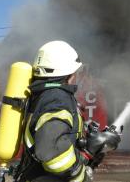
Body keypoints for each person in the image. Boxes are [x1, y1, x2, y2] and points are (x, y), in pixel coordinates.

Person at [15, 40, 94, 182]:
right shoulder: (57, 98)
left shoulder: (41, 95)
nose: (76, 76)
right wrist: (79, 173)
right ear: (67, 72)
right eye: (74, 72)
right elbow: (50, 150)